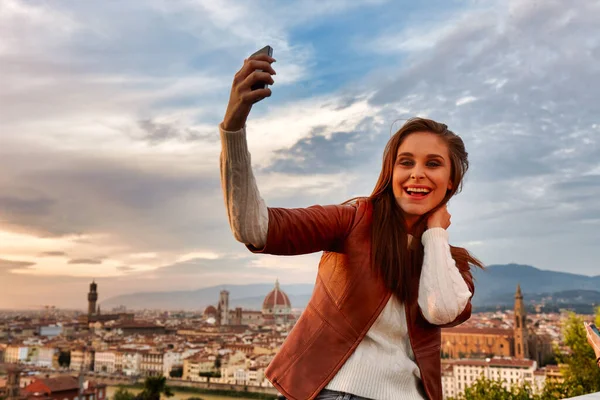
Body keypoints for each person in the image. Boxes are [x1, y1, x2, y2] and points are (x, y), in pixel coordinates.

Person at [219, 52, 484, 400]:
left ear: (451, 180)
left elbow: (441, 309)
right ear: (391, 172)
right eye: (406, 162)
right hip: (333, 393)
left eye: (433, 164)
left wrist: (435, 233)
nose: (417, 173)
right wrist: (233, 128)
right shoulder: (354, 220)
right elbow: (254, 227)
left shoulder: (451, 263)